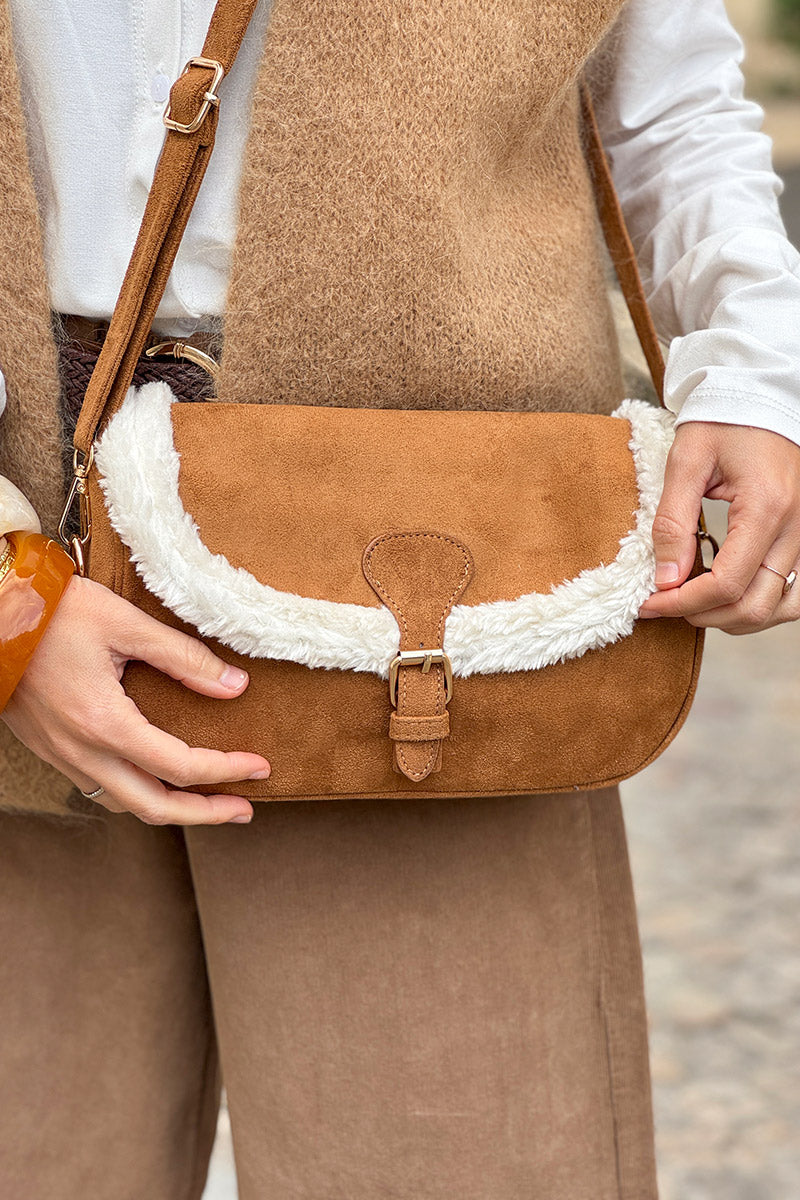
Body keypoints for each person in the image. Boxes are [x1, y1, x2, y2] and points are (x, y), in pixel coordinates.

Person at [0, 0, 798, 1196]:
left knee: (465, 1150)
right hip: (28, 496)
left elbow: (667, 104)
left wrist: (752, 372)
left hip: (437, 577)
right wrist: (11, 601)